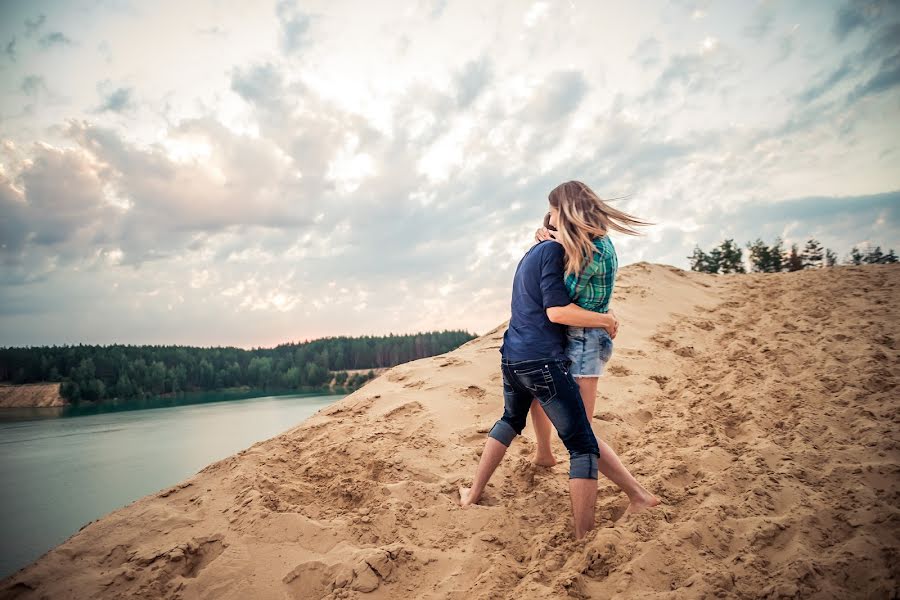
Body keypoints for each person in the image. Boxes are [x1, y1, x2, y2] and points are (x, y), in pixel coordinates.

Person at [458, 194, 623, 539]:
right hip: (541, 359)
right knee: (582, 443)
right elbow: (557, 312)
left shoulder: (531, 253)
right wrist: (605, 318)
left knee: (509, 418)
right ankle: (584, 535)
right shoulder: (552, 252)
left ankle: (474, 492)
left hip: (511, 356)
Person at [530, 180, 660, 519]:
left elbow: (561, 306)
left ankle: (639, 495)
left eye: (554, 212)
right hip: (579, 340)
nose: (550, 218)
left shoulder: (592, 253)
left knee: (582, 436)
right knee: (537, 395)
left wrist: (603, 319)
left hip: (584, 343)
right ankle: (543, 454)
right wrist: (548, 235)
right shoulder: (594, 243)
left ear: (568, 213)